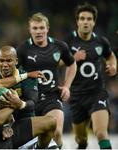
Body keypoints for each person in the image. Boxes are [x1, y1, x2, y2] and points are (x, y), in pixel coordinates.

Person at [17, 12, 77, 149]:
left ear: (47, 28)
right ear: (30, 30)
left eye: (41, 28)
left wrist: (67, 86)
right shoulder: (23, 50)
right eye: (35, 28)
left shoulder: (59, 46)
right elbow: (11, 72)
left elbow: (72, 64)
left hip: (52, 96)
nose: (38, 31)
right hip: (30, 100)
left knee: (56, 133)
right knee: (35, 139)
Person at [64, 3, 117, 149]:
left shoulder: (101, 42)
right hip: (76, 96)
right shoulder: (68, 41)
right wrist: (72, 58)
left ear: (94, 22)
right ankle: (82, 144)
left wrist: (113, 66)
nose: (85, 21)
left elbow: (111, 56)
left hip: (96, 93)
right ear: (77, 21)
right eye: (82, 18)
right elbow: (56, 62)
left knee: (101, 133)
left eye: (89, 19)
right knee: (81, 139)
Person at [0, 45, 39, 121]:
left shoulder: (29, 78)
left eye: (9, 60)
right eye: (2, 61)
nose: (5, 65)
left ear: (16, 61)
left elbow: (32, 103)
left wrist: (20, 104)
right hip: (2, 124)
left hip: (24, 121)